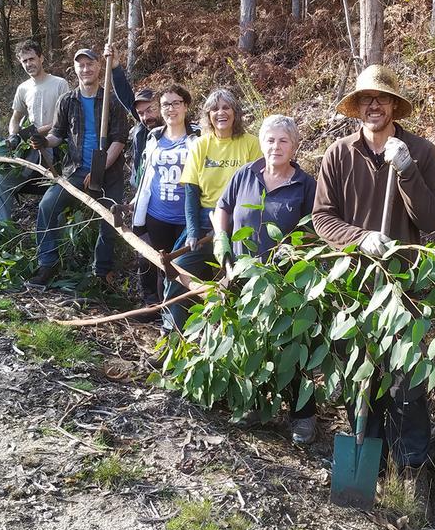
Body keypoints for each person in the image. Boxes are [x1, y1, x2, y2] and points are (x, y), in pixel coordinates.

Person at [313, 65, 435, 473]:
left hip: (403, 284)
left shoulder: (420, 152)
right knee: (362, 373)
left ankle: (411, 468)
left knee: (406, 377)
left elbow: (431, 219)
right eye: (367, 99)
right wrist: (359, 238)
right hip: (354, 285)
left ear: (394, 106)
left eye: (382, 98)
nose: (374, 105)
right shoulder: (339, 153)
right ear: (357, 107)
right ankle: (366, 464)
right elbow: (322, 218)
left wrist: (406, 171)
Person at [213, 114, 318, 443]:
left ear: (295, 146)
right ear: (261, 143)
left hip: (287, 285)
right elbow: (223, 206)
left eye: (283, 141)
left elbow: (316, 229)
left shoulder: (305, 185)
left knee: (292, 347)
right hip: (243, 277)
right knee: (251, 341)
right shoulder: (245, 174)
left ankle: (303, 417)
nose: (276, 146)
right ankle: (256, 404)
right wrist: (221, 239)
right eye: (270, 140)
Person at [25, 47, 133, 287]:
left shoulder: (111, 101)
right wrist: (43, 142)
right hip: (75, 171)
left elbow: (119, 140)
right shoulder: (68, 100)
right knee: (47, 206)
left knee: (110, 219)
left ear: (98, 67)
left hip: (108, 172)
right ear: (75, 69)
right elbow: (57, 135)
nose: (86, 69)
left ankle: (101, 273)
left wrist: (100, 169)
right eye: (81, 65)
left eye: (90, 64)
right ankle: (48, 264)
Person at [162, 88, 262, 331]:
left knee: (239, 279)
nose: (221, 113)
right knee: (178, 272)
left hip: (239, 223)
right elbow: (191, 191)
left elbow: (257, 189)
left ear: (236, 113)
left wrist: (232, 227)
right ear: (207, 115)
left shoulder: (250, 144)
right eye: (215, 109)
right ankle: (171, 334)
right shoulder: (200, 145)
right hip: (205, 222)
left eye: (226, 107)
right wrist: (194, 231)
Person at [131, 84, 198, 307]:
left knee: (186, 268)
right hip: (157, 215)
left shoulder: (199, 136)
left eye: (176, 103)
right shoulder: (154, 137)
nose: (171, 109)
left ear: (186, 105)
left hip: (187, 217)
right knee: (162, 267)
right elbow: (147, 175)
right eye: (165, 105)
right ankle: (164, 317)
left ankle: (185, 316)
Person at [0, 40, 71, 223]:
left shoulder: (59, 84)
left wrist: (40, 132)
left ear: (41, 58)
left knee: (58, 188)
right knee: (0, 182)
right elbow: (15, 117)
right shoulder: (23, 88)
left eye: (32, 59)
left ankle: (59, 236)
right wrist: (14, 135)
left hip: (55, 147)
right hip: (29, 149)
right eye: (24, 61)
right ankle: (2, 230)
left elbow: (66, 119)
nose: (29, 64)